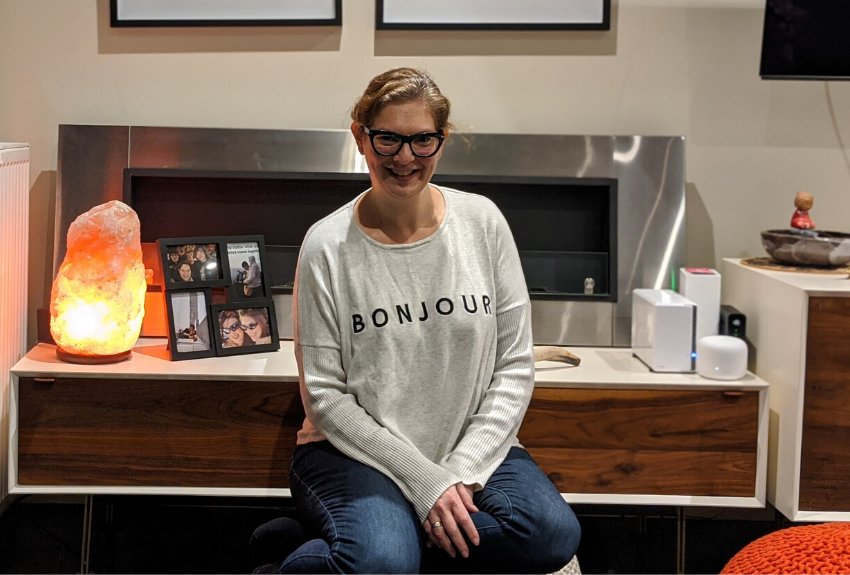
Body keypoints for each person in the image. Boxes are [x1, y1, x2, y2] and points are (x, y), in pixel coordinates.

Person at [269, 67, 580, 574]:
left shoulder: (483, 223)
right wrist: (425, 482)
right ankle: (348, 554)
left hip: (467, 446)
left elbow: (514, 366)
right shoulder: (326, 246)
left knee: (551, 534)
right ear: (360, 137)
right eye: (388, 138)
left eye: (422, 140)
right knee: (385, 564)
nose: (405, 158)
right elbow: (325, 397)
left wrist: (454, 476)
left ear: (443, 140)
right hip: (353, 455)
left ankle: (332, 550)